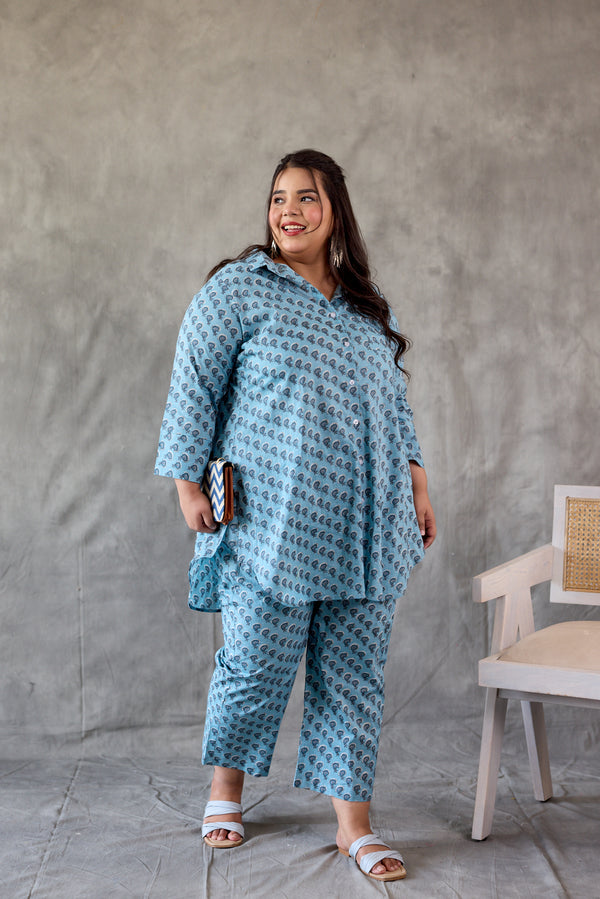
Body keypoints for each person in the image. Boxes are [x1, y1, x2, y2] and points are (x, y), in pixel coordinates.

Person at [155, 149, 436, 883]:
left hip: (365, 521)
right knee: (254, 663)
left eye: (307, 197)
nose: (290, 211)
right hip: (269, 521)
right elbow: (193, 382)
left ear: (334, 209)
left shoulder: (367, 305)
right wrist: (187, 484)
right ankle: (225, 791)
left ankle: (354, 826)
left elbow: (393, 403)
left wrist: (417, 480)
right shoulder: (238, 290)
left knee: (354, 674)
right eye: (280, 197)